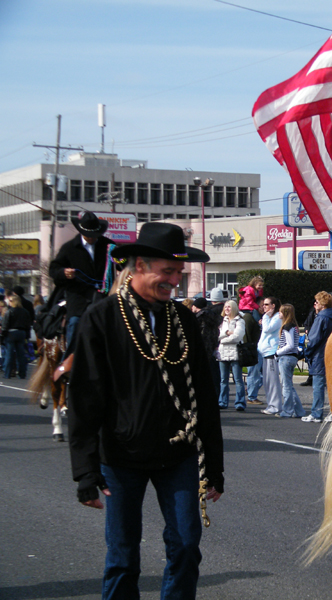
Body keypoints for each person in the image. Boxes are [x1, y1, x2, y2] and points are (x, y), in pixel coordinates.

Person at [67, 222, 224, 600]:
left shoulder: (184, 320)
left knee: (186, 545)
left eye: (178, 273)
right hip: (121, 455)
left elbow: (204, 396)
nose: (174, 281)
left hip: (178, 454)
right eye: (166, 272)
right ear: (138, 266)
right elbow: (85, 398)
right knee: (123, 555)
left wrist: (214, 467)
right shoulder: (102, 318)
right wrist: (85, 471)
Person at [49, 211, 114, 353]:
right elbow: (53, 270)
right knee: (75, 323)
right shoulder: (69, 248)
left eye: (94, 235)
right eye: (89, 235)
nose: (92, 238)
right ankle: (70, 360)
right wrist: (64, 273)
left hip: (104, 296)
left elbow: (122, 263)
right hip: (78, 297)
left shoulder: (109, 246)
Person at [302, 291, 332, 424]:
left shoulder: (321, 318)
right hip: (331, 354)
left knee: (318, 386)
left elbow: (313, 339)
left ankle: (316, 413)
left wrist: (307, 352)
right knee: (331, 387)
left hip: (319, 355)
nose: (314, 304)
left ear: (322, 305)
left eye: (316, 302)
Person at [276, 304, 306, 418]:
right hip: (292, 357)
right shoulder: (294, 326)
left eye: (280, 312)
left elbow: (289, 345)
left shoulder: (287, 327)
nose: (279, 314)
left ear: (285, 313)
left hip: (286, 357)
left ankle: (287, 411)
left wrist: (277, 352)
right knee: (289, 385)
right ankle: (299, 411)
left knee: (286, 386)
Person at [217, 300, 247, 411]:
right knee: (223, 380)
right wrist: (226, 333)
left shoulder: (240, 321)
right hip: (223, 353)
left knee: (238, 379)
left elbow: (237, 337)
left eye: (229, 307)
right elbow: (217, 335)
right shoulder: (222, 321)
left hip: (236, 352)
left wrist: (223, 340)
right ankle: (222, 401)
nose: (227, 309)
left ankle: (240, 402)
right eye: (225, 307)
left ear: (234, 308)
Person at [258, 297, 283, 415]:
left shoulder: (277, 317)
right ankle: (271, 404)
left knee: (272, 382)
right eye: (263, 305)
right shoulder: (269, 318)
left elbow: (268, 329)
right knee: (267, 381)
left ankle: (275, 406)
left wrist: (265, 318)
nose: (264, 307)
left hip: (271, 353)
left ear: (273, 306)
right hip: (265, 353)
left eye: (267, 304)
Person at [2, 293, 33, 379]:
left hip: (11, 333)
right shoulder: (25, 312)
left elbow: (5, 325)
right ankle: (22, 374)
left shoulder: (10, 311)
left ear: (13, 302)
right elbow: (28, 325)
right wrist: (27, 336)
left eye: (10, 301)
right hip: (22, 333)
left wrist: (3, 336)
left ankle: (7, 374)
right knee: (21, 355)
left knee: (9, 354)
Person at [245, 298, 267, 405]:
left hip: (261, 349)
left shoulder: (263, 317)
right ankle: (251, 396)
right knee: (254, 373)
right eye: (263, 305)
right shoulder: (250, 317)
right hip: (254, 349)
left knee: (262, 375)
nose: (264, 307)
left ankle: (250, 390)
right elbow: (247, 335)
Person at [299, 306, 316, 386]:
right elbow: (306, 323)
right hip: (311, 339)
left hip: (318, 340)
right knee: (310, 359)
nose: (315, 305)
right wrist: (307, 329)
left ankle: (315, 378)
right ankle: (310, 378)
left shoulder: (322, 316)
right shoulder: (312, 313)